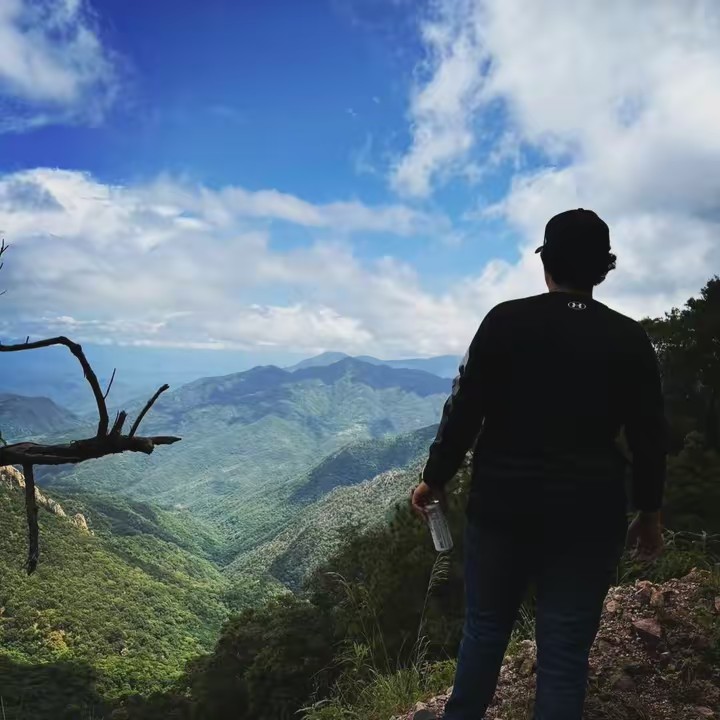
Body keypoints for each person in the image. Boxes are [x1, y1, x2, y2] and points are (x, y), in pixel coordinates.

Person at [411, 209, 666, 720]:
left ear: (546, 262)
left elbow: (465, 411)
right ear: (603, 269)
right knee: (565, 649)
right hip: (589, 510)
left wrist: (434, 478)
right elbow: (649, 437)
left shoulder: (505, 321)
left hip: (503, 505)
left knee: (486, 627)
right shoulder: (629, 338)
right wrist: (649, 512)